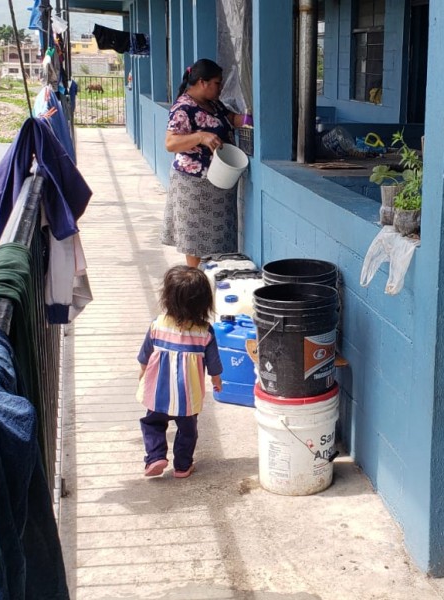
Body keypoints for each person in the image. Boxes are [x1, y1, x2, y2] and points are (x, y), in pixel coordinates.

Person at [136, 266, 223, 478]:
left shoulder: (158, 325)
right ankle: (183, 466)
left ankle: (156, 456)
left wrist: (143, 374)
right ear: (204, 302)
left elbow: (145, 356)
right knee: (188, 430)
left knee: (152, 423)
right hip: (187, 394)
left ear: (167, 298)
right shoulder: (204, 332)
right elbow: (213, 363)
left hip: (158, 391)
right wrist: (216, 380)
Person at [161, 58, 245, 268]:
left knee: (219, 239)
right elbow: (171, 143)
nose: (220, 87)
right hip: (193, 185)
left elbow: (231, 119)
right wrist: (200, 137)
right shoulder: (183, 108)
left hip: (219, 182)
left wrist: (251, 119)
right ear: (202, 82)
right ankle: (196, 286)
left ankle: (213, 282)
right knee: (196, 241)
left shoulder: (213, 104)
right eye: (217, 83)